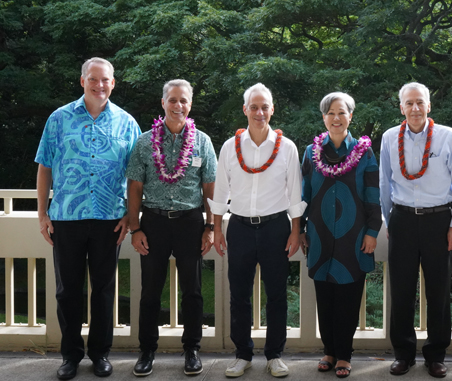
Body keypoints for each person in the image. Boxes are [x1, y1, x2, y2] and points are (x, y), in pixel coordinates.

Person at [35, 57, 141, 380]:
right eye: (93, 79)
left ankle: (99, 354)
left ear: (113, 83)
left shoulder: (127, 123)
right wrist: (42, 213)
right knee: (67, 290)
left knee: (104, 290)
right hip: (66, 217)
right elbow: (44, 167)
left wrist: (131, 216)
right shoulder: (58, 119)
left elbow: (137, 178)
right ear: (82, 81)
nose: (99, 85)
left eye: (105, 80)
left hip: (109, 219)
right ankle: (70, 356)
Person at [209, 83, 305, 378]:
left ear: (272, 110)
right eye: (254, 107)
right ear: (245, 110)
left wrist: (294, 231)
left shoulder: (286, 147)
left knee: (276, 294)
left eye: (265, 107)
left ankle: (275, 355)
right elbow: (220, 191)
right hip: (238, 227)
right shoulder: (229, 146)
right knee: (239, 294)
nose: (259, 112)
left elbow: (295, 192)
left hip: (276, 227)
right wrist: (217, 229)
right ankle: (243, 354)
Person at [125, 79, 217, 376]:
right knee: (150, 290)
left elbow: (210, 187)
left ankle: (191, 349)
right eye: (173, 100)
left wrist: (210, 226)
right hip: (153, 222)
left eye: (184, 101)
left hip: (190, 222)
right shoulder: (144, 141)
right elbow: (135, 186)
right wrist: (135, 228)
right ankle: (147, 351)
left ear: (190, 104)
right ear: (163, 102)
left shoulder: (202, 141)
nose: (179, 106)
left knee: (192, 290)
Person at [379, 82, 452, 378]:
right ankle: (403, 353)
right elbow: (384, 182)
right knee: (401, 290)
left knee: (439, 291)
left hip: (438, 220)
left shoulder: (447, 136)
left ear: (429, 106)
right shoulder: (390, 137)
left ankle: (436, 354)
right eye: (409, 103)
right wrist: (390, 222)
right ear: (401, 107)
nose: (415, 108)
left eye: (420, 103)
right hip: (402, 219)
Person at [298, 92, 382, 378]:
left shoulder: (364, 152)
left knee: (348, 297)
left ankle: (345, 355)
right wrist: (299, 229)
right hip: (319, 235)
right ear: (324, 118)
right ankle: (329, 351)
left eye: (341, 112)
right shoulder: (311, 153)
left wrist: (372, 232)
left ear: (350, 116)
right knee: (325, 296)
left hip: (354, 236)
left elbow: (373, 196)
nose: (336, 118)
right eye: (330, 113)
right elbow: (303, 195)